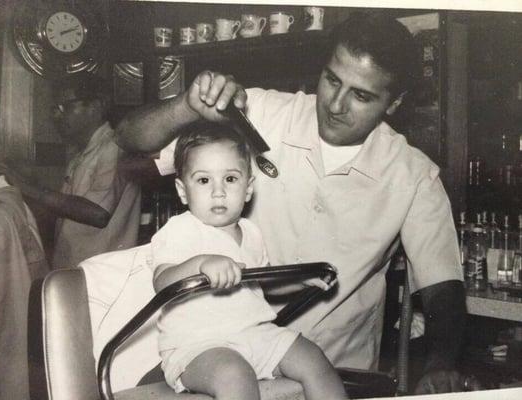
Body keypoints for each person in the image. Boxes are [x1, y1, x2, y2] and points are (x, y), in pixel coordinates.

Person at [116, 13, 467, 394]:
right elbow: (130, 140)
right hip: (223, 358)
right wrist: (187, 106)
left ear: (394, 103)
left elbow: (442, 288)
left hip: (336, 372)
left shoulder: (413, 175)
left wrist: (441, 365)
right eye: (333, 80)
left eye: (361, 95)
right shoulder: (261, 113)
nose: (336, 104)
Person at [150, 123, 346, 399]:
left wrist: (298, 282)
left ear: (248, 188)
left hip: (255, 335)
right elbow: (162, 281)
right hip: (198, 346)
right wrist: (202, 263)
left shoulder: (252, 233)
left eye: (230, 179)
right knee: (235, 375)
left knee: (313, 358)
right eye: (204, 180)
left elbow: (265, 284)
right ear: (183, 191)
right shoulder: (180, 229)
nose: (218, 192)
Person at [0, 73, 141, 269]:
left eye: (67, 107)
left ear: (96, 107)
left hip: (103, 273)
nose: (58, 115)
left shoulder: (114, 147)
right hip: (76, 269)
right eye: (55, 109)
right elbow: (65, 211)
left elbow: (98, 214)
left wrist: (26, 187)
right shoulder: (81, 153)